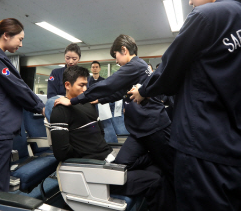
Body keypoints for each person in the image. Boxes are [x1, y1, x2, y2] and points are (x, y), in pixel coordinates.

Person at [129, 0, 241, 210]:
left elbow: (169, 69)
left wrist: (143, 91)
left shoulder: (207, 15)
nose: (189, 0)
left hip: (205, 147)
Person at [54, 35, 175, 189]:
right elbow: (120, 93)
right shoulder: (138, 67)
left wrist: (73, 101)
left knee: (171, 168)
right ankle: (153, 167)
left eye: (116, 56)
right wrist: (98, 100)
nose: (116, 61)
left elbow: (108, 85)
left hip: (154, 127)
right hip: (139, 131)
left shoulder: (134, 65)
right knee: (120, 165)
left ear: (123, 50)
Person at [50, 66, 175, 211]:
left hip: (108, 163)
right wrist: (88, 156)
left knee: (157, 168)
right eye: (81, 85)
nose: (85, 90)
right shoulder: (60, 110)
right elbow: (61, 152)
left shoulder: (87, 104)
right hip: (95, 172)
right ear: (67, 85)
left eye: (86, 85)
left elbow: (100, 134)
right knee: (155, 180)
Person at [0, 18, 45, 193]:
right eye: (20, 39)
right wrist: (41, 107)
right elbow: (17, 87)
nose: (21, 44)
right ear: (6, 35)